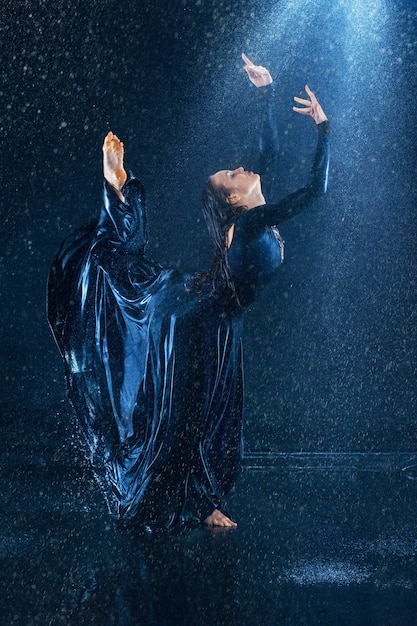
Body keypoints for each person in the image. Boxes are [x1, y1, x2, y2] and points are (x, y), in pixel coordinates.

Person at [47, 53, 330, 529]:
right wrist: (325, 129)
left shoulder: (247, 214)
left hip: (212, 313)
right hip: (197, 320)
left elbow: (267, 153)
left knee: (210, 417)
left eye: (234, 169)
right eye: (231, 176)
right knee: (188, 416)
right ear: (237, 199)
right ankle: (184, 503)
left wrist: (266, 93)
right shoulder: (254, 219)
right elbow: (315, 190)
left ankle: (202, 500)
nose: (239, 168)